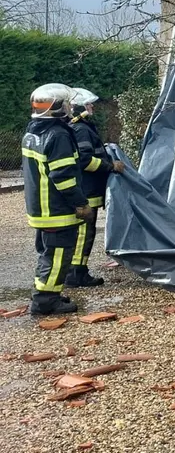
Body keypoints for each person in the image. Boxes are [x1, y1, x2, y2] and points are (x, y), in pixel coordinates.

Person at [22, 83, 92, 316]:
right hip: (57, 210)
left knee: (48, 255)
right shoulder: (58, 135)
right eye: (66, 104)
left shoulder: (32, 133)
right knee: (58, 256)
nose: (70, 108)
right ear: (57, 108)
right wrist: (80, 203)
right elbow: (63, 177)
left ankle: (48, 292)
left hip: (40, 209)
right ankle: (45, 301)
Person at [66, 87, 126, 287]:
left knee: (84, 233)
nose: (92, 106)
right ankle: (77, 274)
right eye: (88, 104)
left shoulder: (80, 127)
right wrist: (110, 166)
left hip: (87, 189)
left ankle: (76, 272)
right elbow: (85, 160)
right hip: (87, 191)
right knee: (84, 233)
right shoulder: (81, 129)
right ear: (80, 107)